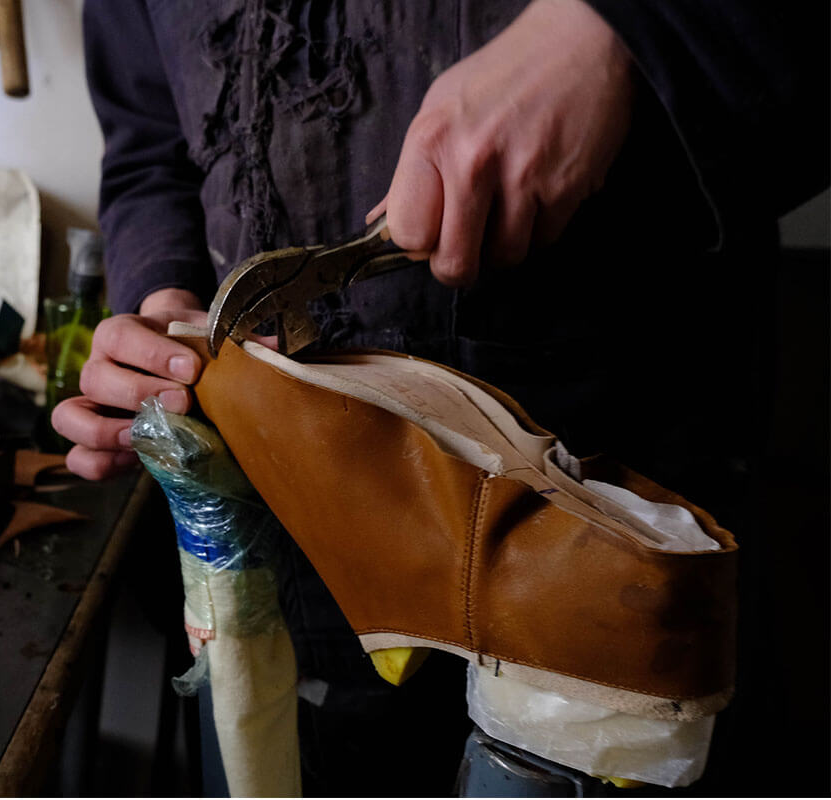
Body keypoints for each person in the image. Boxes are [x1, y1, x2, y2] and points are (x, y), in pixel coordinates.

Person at [54, 0, 829, 794]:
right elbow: (151, 149)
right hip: (288, 543)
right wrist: (162, 308)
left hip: (608, 567)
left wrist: (610, 32)